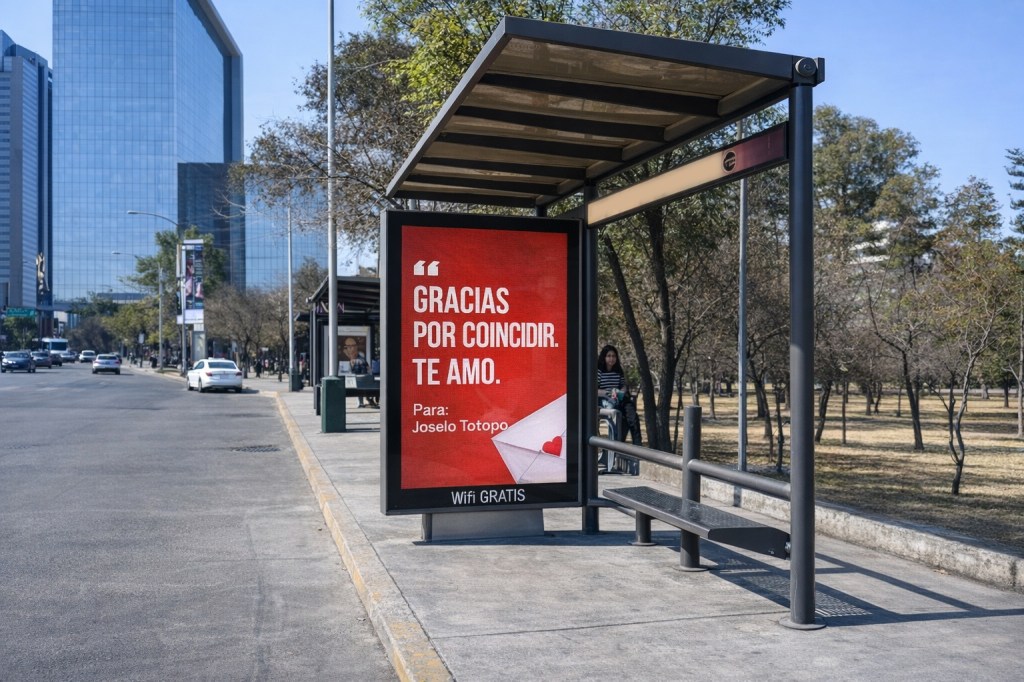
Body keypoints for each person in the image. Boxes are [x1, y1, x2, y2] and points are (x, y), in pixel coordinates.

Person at [597, 344, 641, 446]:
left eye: (613, 356)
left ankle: (637, 445)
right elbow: (594, 390)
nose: (611, 358)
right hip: (604, 398)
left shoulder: (618, 370)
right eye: (609, 356)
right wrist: (609, 393)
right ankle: (615, 445)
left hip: (619, 397)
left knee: (632, 416)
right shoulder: (598, 371)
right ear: (604, 357)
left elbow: (624, 386)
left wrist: (619, 392)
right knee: (617, 413)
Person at [344, 337, 378, 407]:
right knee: (367, 388)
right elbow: (369, 369)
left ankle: (360, 403)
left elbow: (352, 372)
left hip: (359, 380)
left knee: (359, 387)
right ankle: (369, 400)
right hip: (366, 379)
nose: (351, 349)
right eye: (348, 346)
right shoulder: (363, 360)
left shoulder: (353, 361)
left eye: (353, 346)